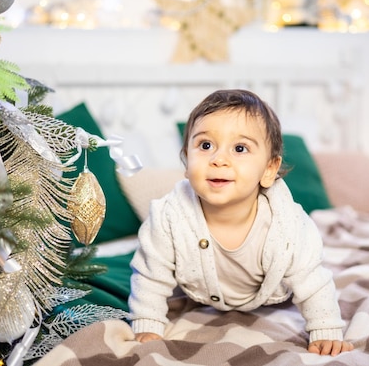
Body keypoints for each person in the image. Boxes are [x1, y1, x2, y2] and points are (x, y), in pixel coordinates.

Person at [128, 89, 353, 356]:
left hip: (272, 294)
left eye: (239, 148)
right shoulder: (168, 216)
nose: (219, 159)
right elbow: (150, 275)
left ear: (269, 170)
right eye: (205, 145)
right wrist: (148, 323)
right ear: (187, 163)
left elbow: (313, 281)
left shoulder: (288, 225)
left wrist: (326, 330)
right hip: (198, 291)